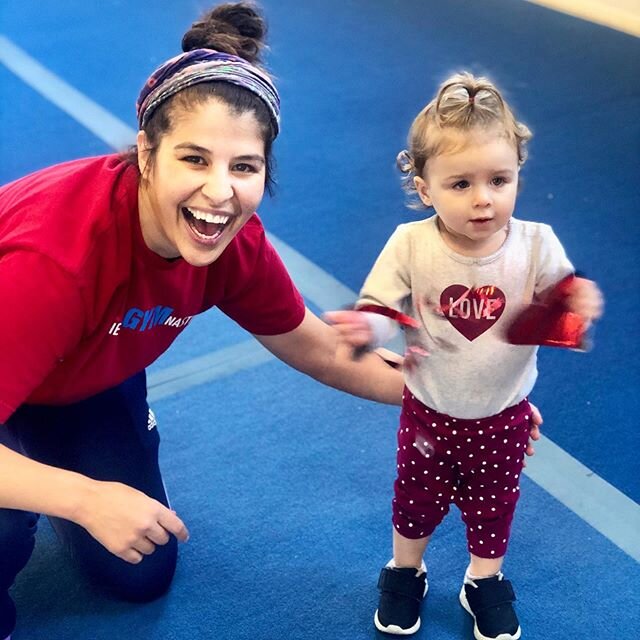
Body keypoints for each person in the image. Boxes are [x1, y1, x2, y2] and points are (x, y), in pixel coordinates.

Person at [0, 4, 415, 638]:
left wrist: (456, 394)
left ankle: (41, 458)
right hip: (19, 336)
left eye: (243, 167)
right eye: (194, 159)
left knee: (138, 569)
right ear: (146, 153)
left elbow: (322, 349)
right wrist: (84, 498)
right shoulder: (55, 263)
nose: (220, 192)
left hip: (79, 377)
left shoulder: (231, 244)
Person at [325, 72, 603, 639]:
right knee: (414, 500)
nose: (483, 198)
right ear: (424, 187)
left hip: (503, 415)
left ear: (518, 174)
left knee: (495, 505)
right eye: (460, 184)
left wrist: (577, 300)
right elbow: (381, 308)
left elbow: (559, 306)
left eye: (499, 180)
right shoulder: (410, 243)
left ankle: (483, 578)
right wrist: (365, 327)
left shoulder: (537, 244)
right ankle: (405, 568)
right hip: (429, 411)